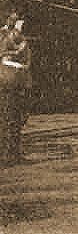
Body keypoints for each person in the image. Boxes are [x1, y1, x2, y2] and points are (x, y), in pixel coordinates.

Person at [0, 12, 32, 165]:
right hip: (7, 78)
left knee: (18, 118)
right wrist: (17, 49)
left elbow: (27, 57)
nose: (21, 22)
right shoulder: (4, 34)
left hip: (20, 79)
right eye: (16, 19)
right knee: (6, 117)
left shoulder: (19, 36)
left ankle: (14, 153)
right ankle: (4, 155)